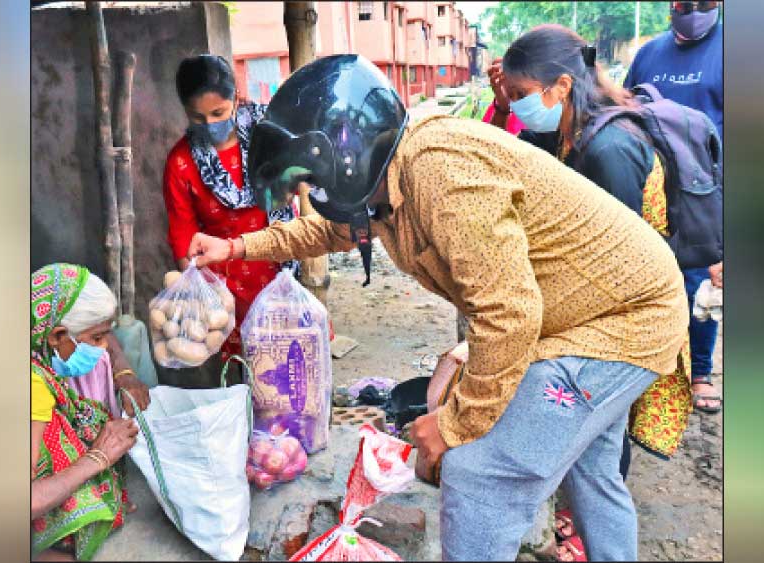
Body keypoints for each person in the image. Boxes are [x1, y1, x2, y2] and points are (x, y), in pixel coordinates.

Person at [187, 54, 688, 561]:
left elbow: (509, 316)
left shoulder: (443, 179)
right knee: (592, 472)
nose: (313, 194)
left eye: (313, 182)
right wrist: (235, 248)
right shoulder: (389, 173)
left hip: (622, 321)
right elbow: (332, 229)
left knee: (479, 472)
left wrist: (453, 426)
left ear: (342, 157)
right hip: (588, 311)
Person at [489, 25, 698, 481]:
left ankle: (592, 505)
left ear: (562, 85)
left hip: (629, 305)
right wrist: (504, 107)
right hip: (604, 295)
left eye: (523, 92)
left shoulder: (609, 148)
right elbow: (506, 160)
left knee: (604, 415)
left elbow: (616, 261)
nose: (521, 103)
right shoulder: (567, 131)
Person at [162, 54, 299, 385]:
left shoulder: (270, 138)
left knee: (294, 362)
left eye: (218, 113)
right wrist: (203, 300)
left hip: (278, 264)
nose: (209, 124)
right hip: (226, 286)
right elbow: (183, 237)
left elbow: (296, 187)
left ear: (236, 100)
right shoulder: (181, 163)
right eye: (198, 117)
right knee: (249, 374)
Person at [625, 1, 723, 414]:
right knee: (648, 277)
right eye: (684, 4)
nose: (694, 11)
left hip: (707, 188)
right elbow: (626, 106)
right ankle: (652, 366)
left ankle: (699, 372)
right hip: (653, 186)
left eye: (705, 4)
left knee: (702, 278)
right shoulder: (650, 54)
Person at [31, 264, 139, 561]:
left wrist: (124, 371)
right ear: (57, 336)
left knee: (87, 419)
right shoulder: (33, 388)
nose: (105, 349)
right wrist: (98, 458)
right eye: (96, 339)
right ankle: (58, 539)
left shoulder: (35, 347)